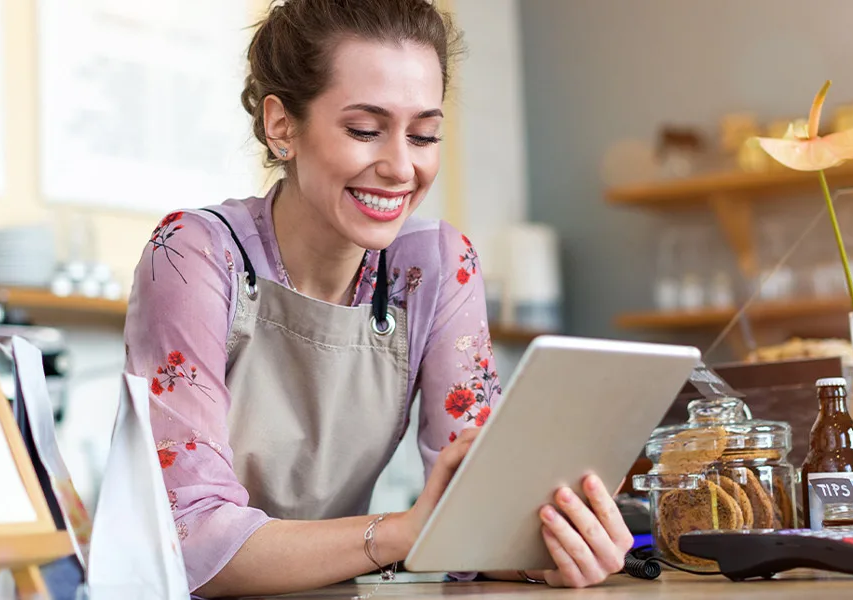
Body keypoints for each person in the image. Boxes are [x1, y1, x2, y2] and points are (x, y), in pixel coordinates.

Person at [123, 0, 632, 596]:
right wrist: (403, 534)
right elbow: (188, 538)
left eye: (424, 135)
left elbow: (477, 507)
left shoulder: (437, 266)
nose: (400, 167)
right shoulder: (194, 254)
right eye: (365, 130)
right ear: (282, 125)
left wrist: (542, 547)